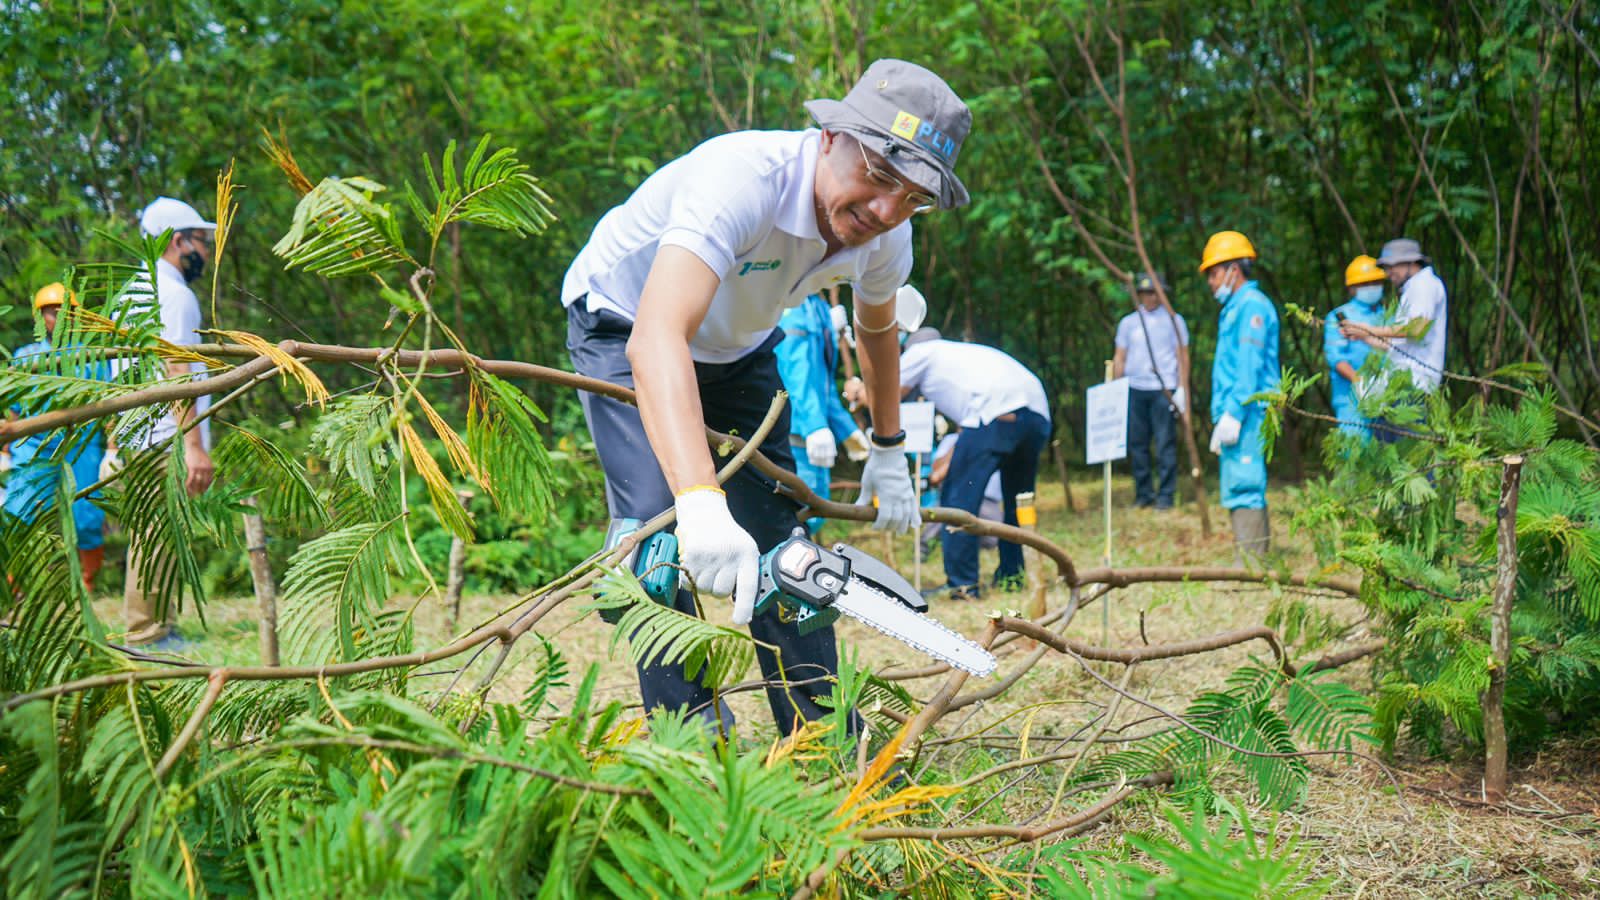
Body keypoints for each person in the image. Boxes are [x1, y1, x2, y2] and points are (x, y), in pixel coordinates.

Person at [561, 59, 971, 735]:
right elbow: (657, 337)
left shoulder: (888, 236)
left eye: (914, 198)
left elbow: (876, 332)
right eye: (879, 175)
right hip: (626, 323)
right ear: (831, 137)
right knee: (654, 543)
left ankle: (819, 731)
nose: (885, 211)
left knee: (789, 552)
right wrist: (698, 499)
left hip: (739, 348)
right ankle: (692, 736)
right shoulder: (742, 181)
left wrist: (888, 446)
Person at [880, 326, 1051, 599]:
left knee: (957, 500)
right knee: (1018, 500)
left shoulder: (920, 352)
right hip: (1036, 414)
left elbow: (887, 394)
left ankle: (962, 584)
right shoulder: (965, 359)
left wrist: (858, 391)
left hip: (994, 412)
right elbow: (966, 435)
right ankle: (1012, 575)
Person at [115, 197, 218, 649]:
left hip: (141, 433)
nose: (206, 252)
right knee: (157, 535)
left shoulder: (133, 292)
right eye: (202, 241)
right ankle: (146, 632)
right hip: (166, 436)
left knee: (155, 532)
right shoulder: (174, 296)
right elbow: (178, 372)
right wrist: (193, 446)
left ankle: (160, 625)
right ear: (178, 242)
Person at [2, 283, 112, 591]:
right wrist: (5, 452)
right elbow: (14, 410)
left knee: (86, 518)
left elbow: (112, 405)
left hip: (81, 448)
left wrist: (113, 450)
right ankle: (14, 590)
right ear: (40, 317)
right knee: (20, 515)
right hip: (32, 448)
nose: (61, 318)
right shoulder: (26, 357)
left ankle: (86, 588)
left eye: (68, 312)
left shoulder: (94, 357)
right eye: (53, 312)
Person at [774, 290, 889, 533]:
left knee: (814, 513)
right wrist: (814, 425)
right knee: (795, 516)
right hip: (795, 435)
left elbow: (823, 383)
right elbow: (796, 372)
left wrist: (847, 430)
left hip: (812, 433)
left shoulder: (816, 305)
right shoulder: (794, 304)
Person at [1199, 231, 1280, 561]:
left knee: (1246, 482)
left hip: (1249, 411)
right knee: (1237, 482)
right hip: (1238, 409)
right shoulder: (1234, 308)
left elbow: (1249, 365)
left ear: (1234, 269)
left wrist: (1234, 411)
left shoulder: (1251, 306)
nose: (1211, 282)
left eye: (1214, 273)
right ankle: (1252, 559)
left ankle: (1250, 566)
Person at [1112, 272, 1189, 509]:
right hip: (1135, 388)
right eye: (1145, 293)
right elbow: (1120, 357)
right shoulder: (1129, 323)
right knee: (1138, 444)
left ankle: (1166, 495)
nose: (1150, 297)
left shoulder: (1174, 320)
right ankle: (1143, 494)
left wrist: (1182, 388)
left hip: (1162, 388)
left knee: (1165, 443)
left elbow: (1182, 356)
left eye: (1154, 292)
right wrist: (1115, 388)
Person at [1340, 238, 1448, 395]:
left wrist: (1369, 330)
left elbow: (1416, 329)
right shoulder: (1413, 288)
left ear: (1412, 262)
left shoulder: (1424, 285)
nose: (1388, 273)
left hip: (1416, 383)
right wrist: (1363, 336)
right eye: (1386, 268)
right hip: (1403, 382)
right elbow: (1399, 344)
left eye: (1392, 266)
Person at [1324, 255, 1388, 437]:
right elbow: (1335, 358)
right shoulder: (1340, 316)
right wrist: (1359, 382)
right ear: (1352, 288)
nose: (1371, 287)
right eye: (1364, 284)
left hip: (1387, 398)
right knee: (1354, 448)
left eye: (1375, 282)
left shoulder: (1389, 316)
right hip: (1351, 400)